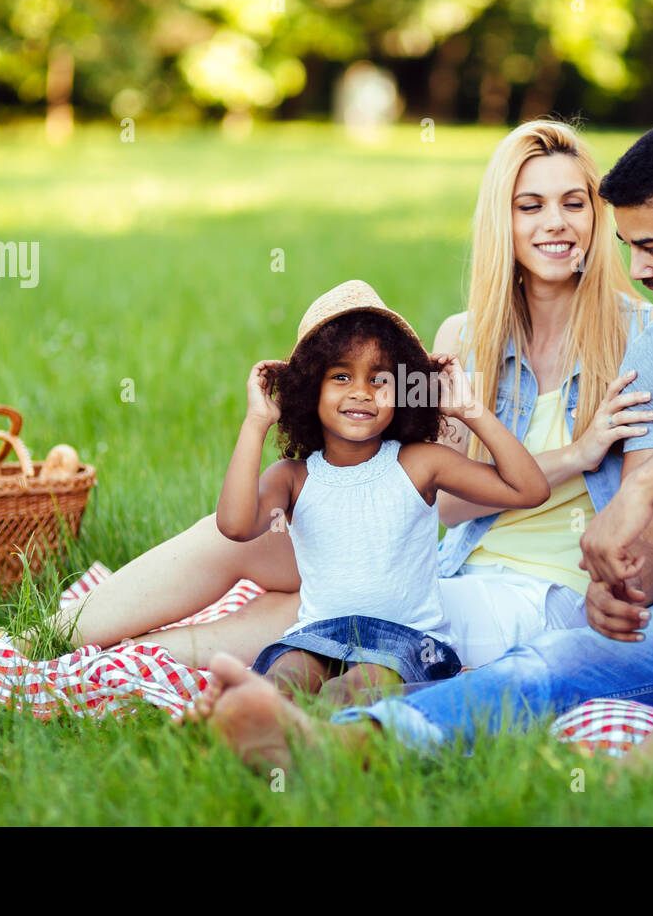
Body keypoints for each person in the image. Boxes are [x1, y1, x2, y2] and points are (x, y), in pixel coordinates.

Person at [0, 120, 653, 680]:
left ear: (599, 218)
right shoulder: (458, 343)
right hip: (442, 551)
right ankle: (29, 644)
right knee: (243, 541)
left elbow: (650, 539)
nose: (558, 224)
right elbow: (423, 495)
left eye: (575, 203)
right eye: (532, 205)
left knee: (321, 608)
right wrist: (554, 460)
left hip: (541, 595)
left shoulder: (646, 338)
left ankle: (63, 671)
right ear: (503, 219)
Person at [181, 118, 653, 772]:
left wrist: (645, 488)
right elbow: (649, 564)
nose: (634, 269)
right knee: (556, 660)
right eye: (627, 247)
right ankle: (343, 745)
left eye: (652, 248)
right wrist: (615, 587)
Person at [217, 280, 546, 706]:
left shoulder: (420, 463)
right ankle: (244, 727)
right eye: (340, 376)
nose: (361, 391)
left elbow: (529, 489)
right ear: (309, 389)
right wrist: (255, 423)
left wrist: (469, 409)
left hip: (406, 643)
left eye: (379, 379)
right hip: (319, 636)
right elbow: (235, 525)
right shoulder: (293, 477)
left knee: (351, 690)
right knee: (284, 680)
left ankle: (325, 748)